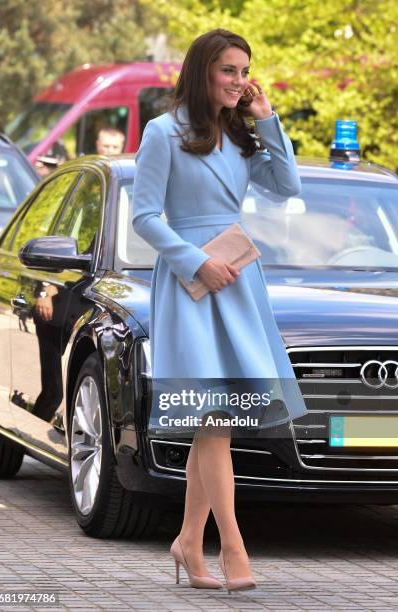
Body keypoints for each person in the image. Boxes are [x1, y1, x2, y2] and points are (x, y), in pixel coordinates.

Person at [132, 29, 308, 593]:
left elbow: (287, 184)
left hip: (237, 281)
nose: (238, 81)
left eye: (244, 71)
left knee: (219, 422)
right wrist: (193, 262)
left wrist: (267, 116)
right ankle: (232, 544)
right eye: (228, 71)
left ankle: (187, 541)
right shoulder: (163, 133)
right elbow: (144, 216)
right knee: (212, 419)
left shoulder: (240, 135)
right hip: (191, 285)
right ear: (203, 70)